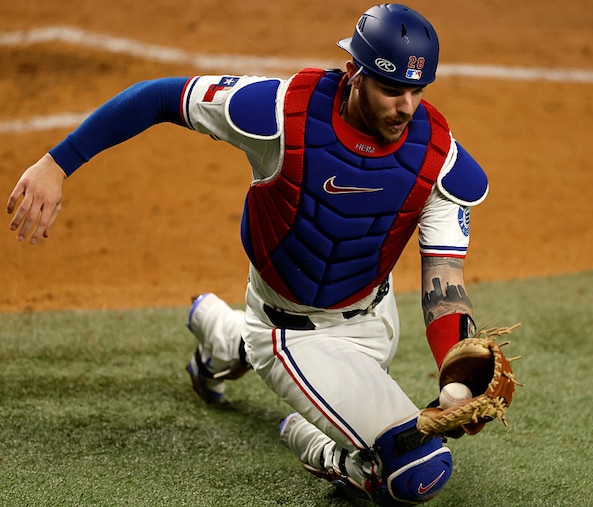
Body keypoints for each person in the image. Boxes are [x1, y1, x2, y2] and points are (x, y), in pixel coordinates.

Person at [6, 4, 490, 505]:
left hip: (373, 320)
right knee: (417, 471)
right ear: (354, 74)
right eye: (392, 89)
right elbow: (158, 97)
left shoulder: (440, 162)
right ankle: (319, 446)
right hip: (289, 333)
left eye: (418, 90)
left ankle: (222, 335)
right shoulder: (279, 115)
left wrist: (456, 373)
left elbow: (445, 284)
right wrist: (56, 165)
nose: (407, 107)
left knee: (376, 412)